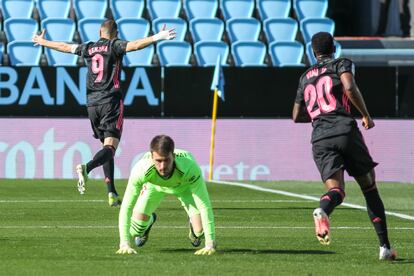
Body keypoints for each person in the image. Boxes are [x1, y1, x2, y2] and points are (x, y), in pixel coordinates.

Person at [32, 20, 176, 206]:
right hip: (111, 101)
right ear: (115, 33)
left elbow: (65, 47)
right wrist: (158, 37)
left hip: (92, 104)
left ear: (100, 31)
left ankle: (111, 193)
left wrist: (43, 42)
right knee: (110, 148)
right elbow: (135, 45)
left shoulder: (88, 48)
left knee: (106, 147)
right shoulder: (114, 45)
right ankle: (87, 167)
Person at [292, 32, 396, 260]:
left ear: (313, 51)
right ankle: (385, 248)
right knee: (369, 187)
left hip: (320, 137)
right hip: (344, 130)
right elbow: (349, 87)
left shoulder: (305, 76)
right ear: (334, 48)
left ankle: (323, 210)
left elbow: (296, 115)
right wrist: (366, 114)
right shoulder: (342, 63)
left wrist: (320, 114)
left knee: (336, 190)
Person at [116, 135, 216, 255]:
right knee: (134, 231)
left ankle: (193, 227)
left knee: (201, 231)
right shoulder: (141, 170)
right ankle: (149, 221)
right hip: (154, 187)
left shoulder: (190, 168)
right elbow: (126, 206)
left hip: (184, 188)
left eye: (166, 160)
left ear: (173, 157)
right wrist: (124, 243)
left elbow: (204, 206)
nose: (162, 166)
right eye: (158, 161)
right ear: (152, 157)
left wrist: (210, 244)